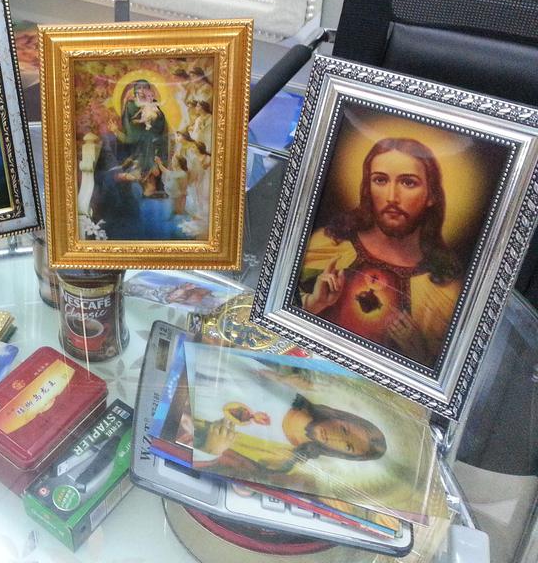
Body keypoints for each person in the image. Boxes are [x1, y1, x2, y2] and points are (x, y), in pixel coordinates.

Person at [299, 138, 463, 367]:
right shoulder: (327, 245)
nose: (392, 197)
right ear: (368, 188)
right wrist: (314, 303)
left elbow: (445, 370)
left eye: (408, 182)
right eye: (380, 180)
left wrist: (419, 355)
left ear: (432, 195)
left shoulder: (444, 291)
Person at [181, 347, 387, 481]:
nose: (336, 438)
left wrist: (211, 450)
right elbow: (221, 354)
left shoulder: (282, 462)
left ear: (343, 454)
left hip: (176, 409)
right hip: (186, 362)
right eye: (344, 430)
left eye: (348, 446)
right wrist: (276, 377)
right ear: (340, 417)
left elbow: (222, 476)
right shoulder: (293, 386)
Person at [119, 80, 169, 197]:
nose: (141, 90)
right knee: (144, 143)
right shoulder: (130, 104)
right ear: (135, 91)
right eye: (139, 88)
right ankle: (142, 172)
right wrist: (138, 124)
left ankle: (149, 173)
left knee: (154, 141)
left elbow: (160, 121)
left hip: (151, 134)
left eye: (144, 87)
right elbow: (128, 122)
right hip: (135, 135)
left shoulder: (153, 103)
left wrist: (156, 117)